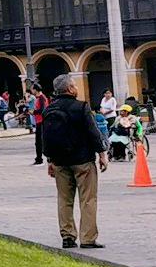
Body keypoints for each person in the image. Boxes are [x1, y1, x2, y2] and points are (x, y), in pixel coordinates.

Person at [39, 73, 108, 249]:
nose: (77, 88)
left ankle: (68, 236)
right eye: (75, 85)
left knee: (64, 199)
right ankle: (87, 238)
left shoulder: (49, 109)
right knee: (88, 199)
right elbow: (93, 132)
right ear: (70, 89)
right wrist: (102, 153)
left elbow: (45, 137)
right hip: (82, 160)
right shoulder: (81, 107)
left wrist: (49, 160)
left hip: (59, 161)